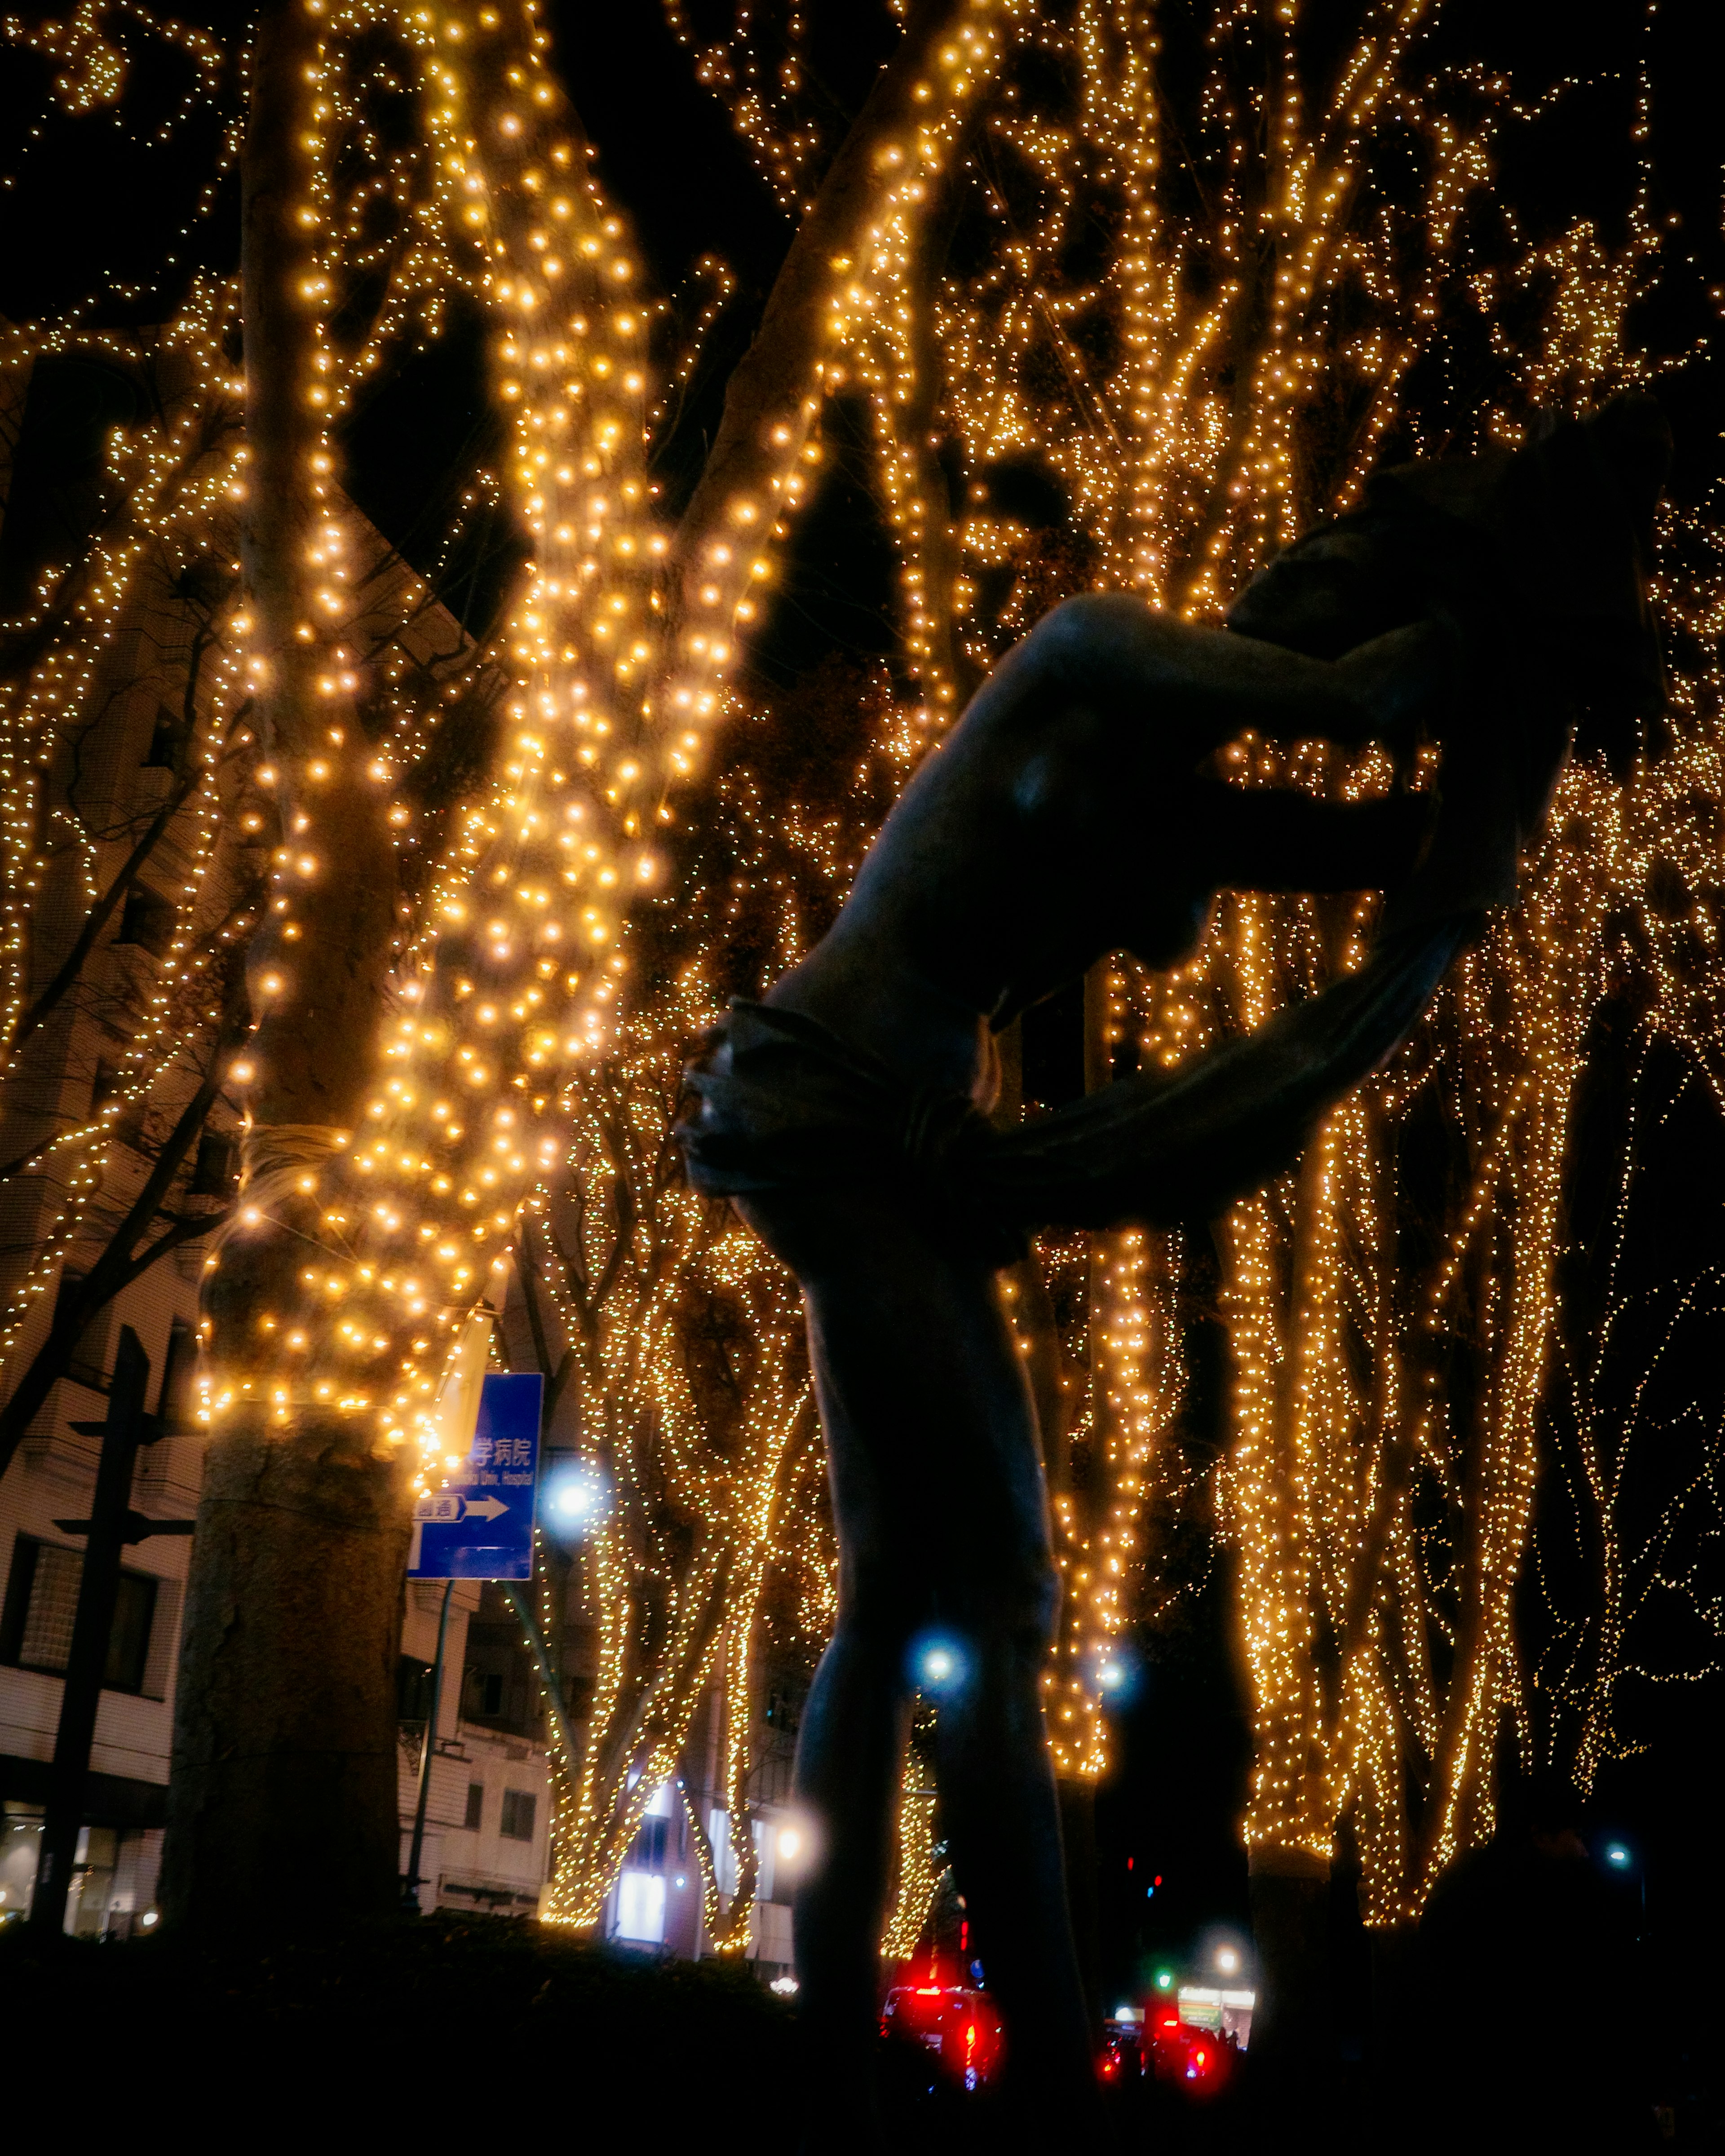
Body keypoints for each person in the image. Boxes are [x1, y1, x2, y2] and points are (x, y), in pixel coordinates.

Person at [678, 396, 1670, 2152]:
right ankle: (1025, 2071)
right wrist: (1522, 612)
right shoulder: (1094, 660)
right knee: (983, 1600)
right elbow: (1372, 705)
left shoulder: (1133, 780)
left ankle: (871, 2057)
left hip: (854, 1131)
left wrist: (1471, 843)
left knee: (915, 1591)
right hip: (848, 1130)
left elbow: (1356, 847)